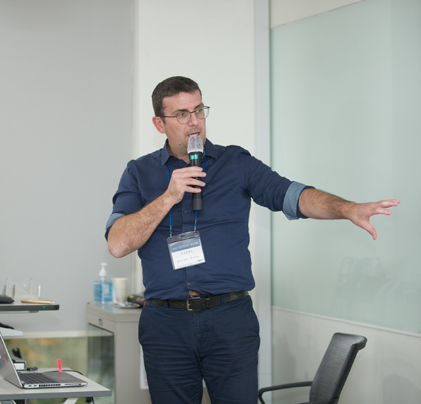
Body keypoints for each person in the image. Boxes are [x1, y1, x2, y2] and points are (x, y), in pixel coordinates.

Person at [105, 76, 399, 404]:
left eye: (199, 110)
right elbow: (118, 244)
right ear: (159, 124)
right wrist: (168, 196)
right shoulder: (139, 172)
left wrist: (348, 208)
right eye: (182, 114)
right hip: (165, 325)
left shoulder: (235, 163)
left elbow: (292, 195)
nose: (195, 122)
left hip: (229, 321)